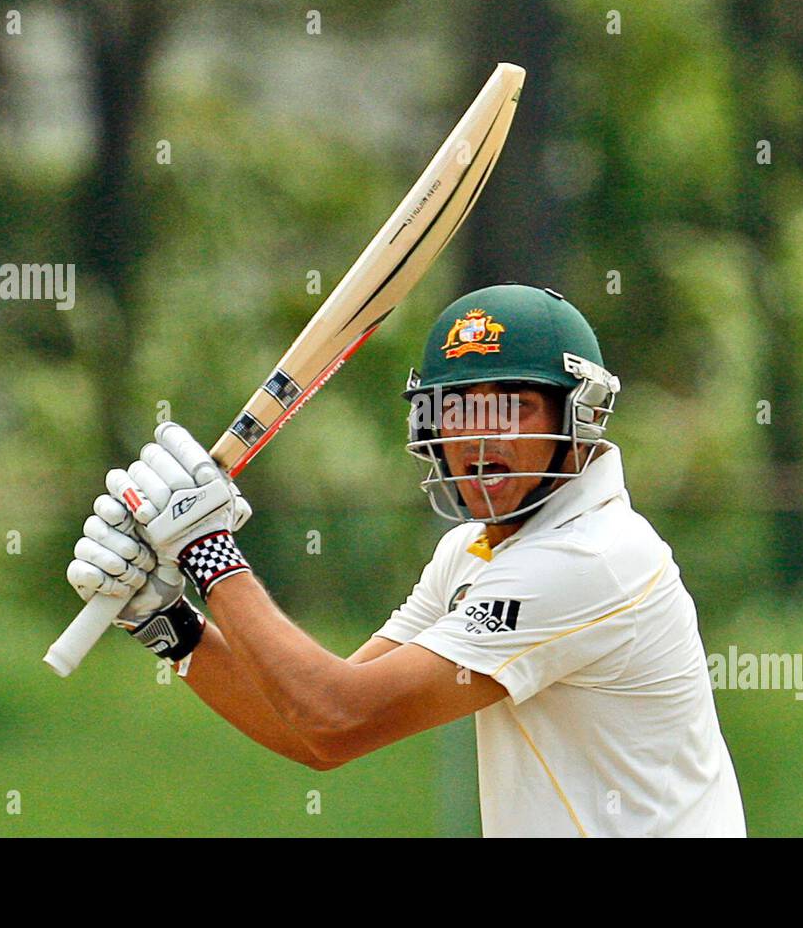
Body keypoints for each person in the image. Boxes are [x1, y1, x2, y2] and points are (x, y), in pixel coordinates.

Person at [67, 283, 746, 837]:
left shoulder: (592, 558)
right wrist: (165, 618)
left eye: (511, 405)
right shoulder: (472, 552)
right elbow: (305, 724)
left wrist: (207, 551)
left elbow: (337, 716)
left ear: (579, 416)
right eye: (457, 407)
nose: (480, 437)